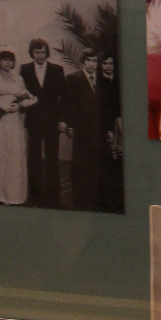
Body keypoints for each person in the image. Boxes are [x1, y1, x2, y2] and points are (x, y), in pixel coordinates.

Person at [0, 48, 37, 205]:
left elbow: (23, 96)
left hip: (13, 120)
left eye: (10, 60)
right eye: (4, 59)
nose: (8, 63)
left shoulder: (18, 78)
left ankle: (11, 194)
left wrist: (21, 105)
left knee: (13, 152)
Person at [19, 38, 65, 208]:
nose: (40, 55)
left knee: (52, 157)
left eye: (43, 52)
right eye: (36, 52)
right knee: (34, 157)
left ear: (47, 53)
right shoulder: (24, 69)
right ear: (32, 53)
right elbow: (20, 94)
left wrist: (62, 120)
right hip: (33, 120)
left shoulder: (57, 70)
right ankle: (35, 194)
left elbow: (64, 97)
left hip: (52, 120)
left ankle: (53, 196)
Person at [63, 50, 102, 210]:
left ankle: (93, 195)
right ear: (83, 62)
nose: (92, 64)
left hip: (97, 127)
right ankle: (79, 197)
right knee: (80, 161)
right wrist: (70, 125)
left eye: (94, 61)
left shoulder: (101, 79)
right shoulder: (73, 78)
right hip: (80, 127)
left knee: (94, 162)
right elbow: (69, 104)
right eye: (88, 60)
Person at [97, 53, 123, 212]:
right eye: (105, 63)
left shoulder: (119, 82)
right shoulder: (99, 82)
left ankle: (118, 199)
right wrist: (108, 130)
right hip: (106, 128)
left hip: (121, 125)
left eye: (110, 64)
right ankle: (106, 201)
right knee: (107, 164)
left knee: (119, 165)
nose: (108, 66)